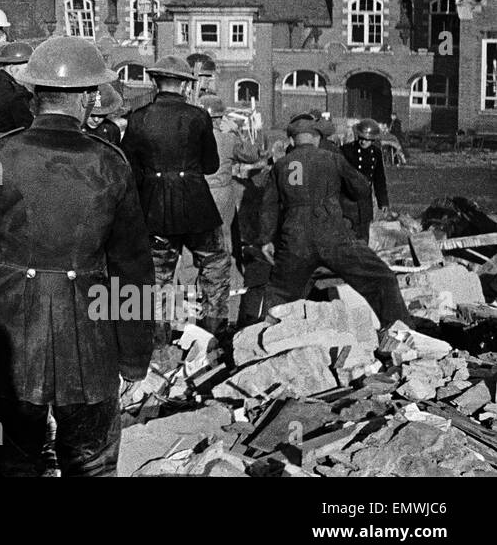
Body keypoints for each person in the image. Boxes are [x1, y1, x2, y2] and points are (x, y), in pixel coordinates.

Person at [0, 37, 154, 477]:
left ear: (34, 95)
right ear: (88, 97)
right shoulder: (110, 163)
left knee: (7, 461)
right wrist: (134, 353)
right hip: (90, 335)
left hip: (6, 338)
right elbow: (131, 269)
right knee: (91, 461)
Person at [258, 115, 410, 328]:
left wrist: (266, 239)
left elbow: (268, 206)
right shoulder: (332, 159)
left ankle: (264, 342)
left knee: (280, 294)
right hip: (334, 236)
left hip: (295, 240)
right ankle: (402, 334)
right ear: (317, 139)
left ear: (292, 141)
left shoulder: (281, 166)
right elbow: (361, 190)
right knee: (381, 279)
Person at [121, 55, 227, 342]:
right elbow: (211, 165)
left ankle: (157, 341)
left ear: (155, 82)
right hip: (196, 206)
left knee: (155, 276)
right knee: (214, 265)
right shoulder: (198, 116)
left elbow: (128, 168)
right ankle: (212, 333)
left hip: (154, 208)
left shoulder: (138, 118)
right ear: (183, 85)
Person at [201, 95, 261, 263]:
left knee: (195, 239)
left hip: (195, 191)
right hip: (220, 193)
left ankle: (189, 285)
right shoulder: (228, 139)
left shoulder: (189, 137)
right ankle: (224, 280)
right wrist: (238, 132)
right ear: (220, 118)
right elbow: (252, 155)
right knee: (224, 236)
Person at [340, 118, 389, 242]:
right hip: (348, 200)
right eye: (361, 138)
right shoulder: (346, 150)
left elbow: (379, 179)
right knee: (347, 234)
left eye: (367, 139)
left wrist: (383, 201)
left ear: (373, 140)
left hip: (364, 201)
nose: (363, 142)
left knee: (363, 234)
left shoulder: (376, 153)